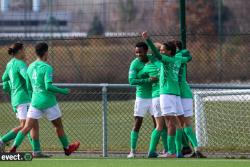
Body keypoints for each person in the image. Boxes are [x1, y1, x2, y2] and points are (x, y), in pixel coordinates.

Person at [9, 42, 80, 156]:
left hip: (35, 103)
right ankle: (67, 148)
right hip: (49, 102)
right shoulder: (47, 67)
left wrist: (33, 98)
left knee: (26, 127)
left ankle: (13, 148)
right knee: (58, 126)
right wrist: (63, 91)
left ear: (36, 53)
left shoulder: (30, 67)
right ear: (46, 52)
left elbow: (28, 86)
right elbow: (48, 86)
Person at [142, 32, 192, 158]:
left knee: (169, 123)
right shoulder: (178, 59)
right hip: (176, 95)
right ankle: (178, 152)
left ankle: (171, 151)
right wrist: (184, 52)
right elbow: (189, 58)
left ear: (169, 52)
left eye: (164, 50)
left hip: (166, 95)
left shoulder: (166, 60)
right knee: (178, 123)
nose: (161, 52)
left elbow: (156, 53)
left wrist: (148, 40)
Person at [0, 42, 48, 157]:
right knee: (25, 126)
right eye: (24, 50)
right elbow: (27, 76)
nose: (25, 52)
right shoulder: (20, 63)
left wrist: (8, 85)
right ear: (20, 51)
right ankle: (2, 141)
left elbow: (4, 78)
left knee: (33, 124)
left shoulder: (10, 64)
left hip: (16, 98)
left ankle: (36, 151)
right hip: (23, 98)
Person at [174, 40, 206, 158]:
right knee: (183, 124)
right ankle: (191, 148)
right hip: (180, 94)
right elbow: (188, 56)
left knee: (181, 124)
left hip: (178, 95)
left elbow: (187, 54)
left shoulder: (173, 58)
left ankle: (186, 148)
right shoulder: (179, 57)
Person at [127, 42, 158, 158]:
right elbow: (131, 81)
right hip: (141, 97)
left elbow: (160, 58)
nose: (138, 54)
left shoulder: (152, 59)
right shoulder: (134, 64)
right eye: (136, 52)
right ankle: (132, 151)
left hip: (155, 96)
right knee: (137, 123)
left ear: (146, 51)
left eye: (140, 52)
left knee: (158, 124)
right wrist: (147, 80)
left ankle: (153, 150)